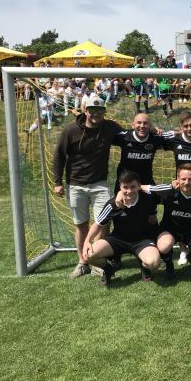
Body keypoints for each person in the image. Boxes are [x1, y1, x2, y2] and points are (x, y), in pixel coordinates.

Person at [52, 96, 125, 279]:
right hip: (75, 185)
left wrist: (152, 130)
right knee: (81, 225)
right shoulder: (71, 130)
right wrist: (57, 182)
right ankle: (83, 262)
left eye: (100, 110)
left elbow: (130, 135)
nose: (96, 114)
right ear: (85, 110)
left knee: (104, 223)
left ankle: (97, 260)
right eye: (92, 110)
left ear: (104, 112)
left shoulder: (110, 127)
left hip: (100, 184)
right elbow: (59, 155)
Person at [81, 170, 162, 287]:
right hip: (117, 240)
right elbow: (98, 224)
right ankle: (108, 269)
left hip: (141, 241)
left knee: (153, 263)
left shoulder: (148, 199)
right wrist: (87, 241)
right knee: (89, 255)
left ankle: (144, 267)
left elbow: (153, 219)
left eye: (133, 187)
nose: (129, 191)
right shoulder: (113, 204)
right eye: (125, 187)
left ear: (139, 186)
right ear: (120, 187)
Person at [145, 164, 191, 279]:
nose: (187, 182)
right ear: (177, 179)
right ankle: (169, 265)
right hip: (169, 229)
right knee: (164, 247)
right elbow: (144, 188)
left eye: (190, 179)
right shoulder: (169, 190)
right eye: (183, 179)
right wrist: (121, 193)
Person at [113, 113, 166, 188]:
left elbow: (175, 138)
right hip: (125, 184)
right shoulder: (124, 137)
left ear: (150, 126)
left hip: (146, 183)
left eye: (145, 123)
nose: (142, 126)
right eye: (139, 123)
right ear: (133, 125)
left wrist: (159, 131)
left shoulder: (156, 138)